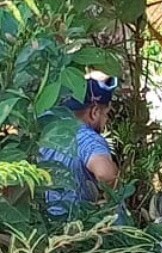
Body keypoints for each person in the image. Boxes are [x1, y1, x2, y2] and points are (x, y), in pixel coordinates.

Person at [39, 73, 122, 222]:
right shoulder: (86, 137)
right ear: (94, 112)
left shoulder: (45, 127)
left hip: (42, 223)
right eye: (106, 114)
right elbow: (105, 174)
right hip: (74, 227)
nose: (106, 120)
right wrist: (111, 193)